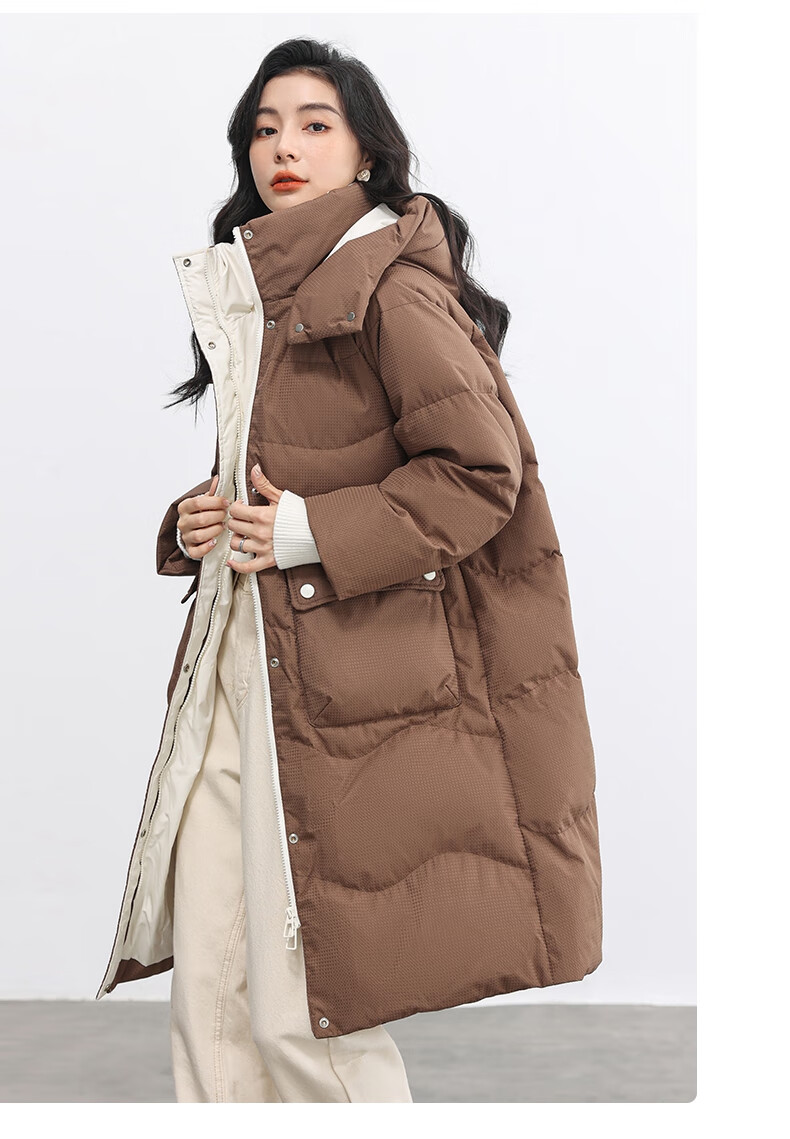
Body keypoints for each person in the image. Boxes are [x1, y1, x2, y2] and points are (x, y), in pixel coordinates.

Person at [96, 37, 603, 1104]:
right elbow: (286, 466)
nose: (283, 146)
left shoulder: (388, 286)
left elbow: (481, 474)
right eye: (264, 127)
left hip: (335, 691)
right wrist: (199, 519)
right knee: (213, 1002)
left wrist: (307, 531)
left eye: (314, 124)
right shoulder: (266, 291)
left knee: (301, 1014)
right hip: (239, 671)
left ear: (366, 151)